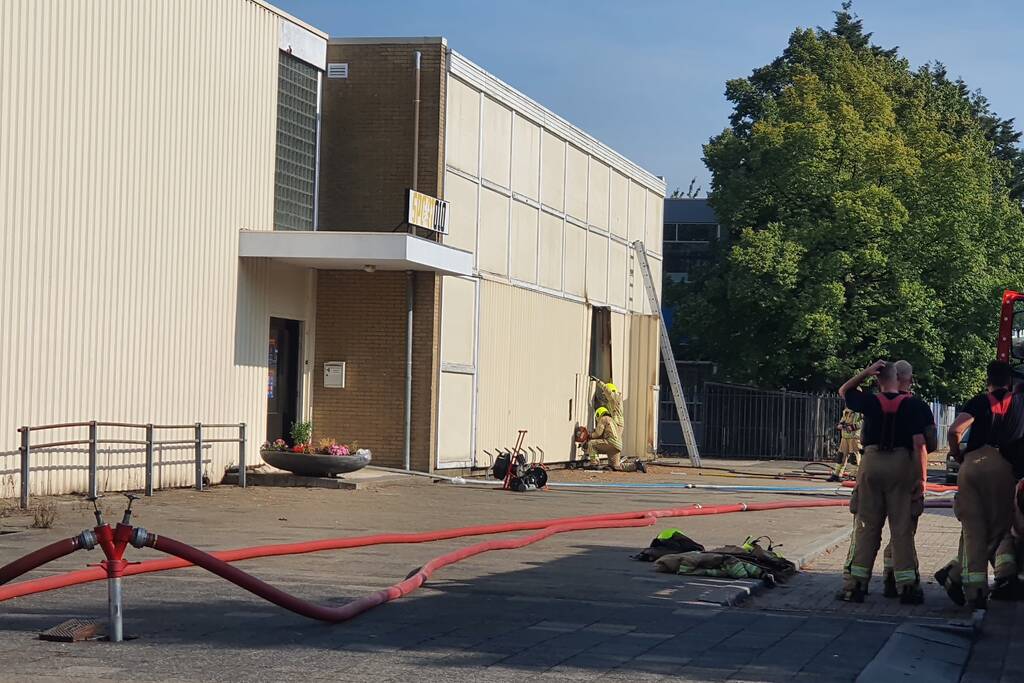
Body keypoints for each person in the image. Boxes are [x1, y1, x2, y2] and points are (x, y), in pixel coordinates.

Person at [837, 360, 932, 604]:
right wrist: (921, 480)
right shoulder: (916, 406)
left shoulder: (869, 401)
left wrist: (865, 373)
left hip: (871, 464)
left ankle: (855, 586)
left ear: (879, 380)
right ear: (904, 379)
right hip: (901, 466)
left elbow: (844, 391)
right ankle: (907, 587)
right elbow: (922, 444)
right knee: (901, 529)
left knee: (866, 526)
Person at [935, 361, 1024, 608]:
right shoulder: (1020, 404)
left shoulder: (978, 401)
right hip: (1002, 468)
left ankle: (971, 590)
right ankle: (955, 577)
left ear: (988, 379)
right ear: (1009, 382)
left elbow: (955, 430)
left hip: (971, 466)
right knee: (996, 530)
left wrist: (959, 455)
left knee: (972, 529)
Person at [837, 408, 863, 473]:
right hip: (845, 437)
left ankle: (855, 475)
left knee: (854, 457)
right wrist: (840, 425)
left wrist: (853, 427)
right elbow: (843, 419)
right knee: (841, 456)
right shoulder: (847, 409)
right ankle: (837, 474)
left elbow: (864, 421)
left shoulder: (861, 409)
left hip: (854, 437)